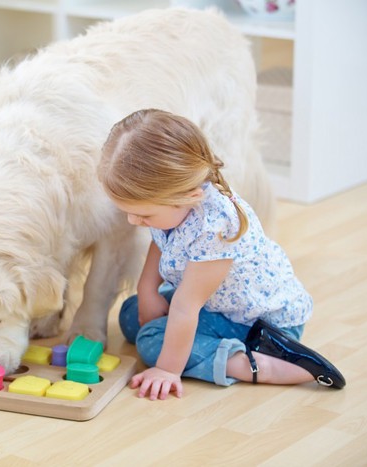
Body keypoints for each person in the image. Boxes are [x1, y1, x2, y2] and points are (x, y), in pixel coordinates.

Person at [97, 108, 345, 400]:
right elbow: (160, 239)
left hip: (259, 322)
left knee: (151, 341)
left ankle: (255, 364)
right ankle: (218, 348)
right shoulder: (175, 202)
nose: (133, 222)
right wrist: (147, 288)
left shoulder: (216, 230)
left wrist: (167, 369)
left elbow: (185, 309)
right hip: (217, 305)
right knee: (132, 313)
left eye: (143, 215)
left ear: (187, 197)